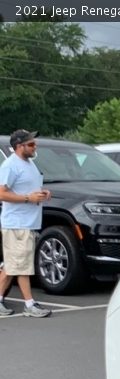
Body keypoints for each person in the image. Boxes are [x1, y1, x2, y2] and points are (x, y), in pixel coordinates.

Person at [0, 129, 52, 317]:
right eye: (30, 144)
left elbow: (30, 190)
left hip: (27, 222)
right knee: (21, 266)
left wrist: (42, 194)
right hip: (17, 223)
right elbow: (2, 193)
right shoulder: (10, 165)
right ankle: (30, 305)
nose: (34, 146)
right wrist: (27, 198)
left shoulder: (29, 164)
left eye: (34, 143)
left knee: (12, 265)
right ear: (19, 146)